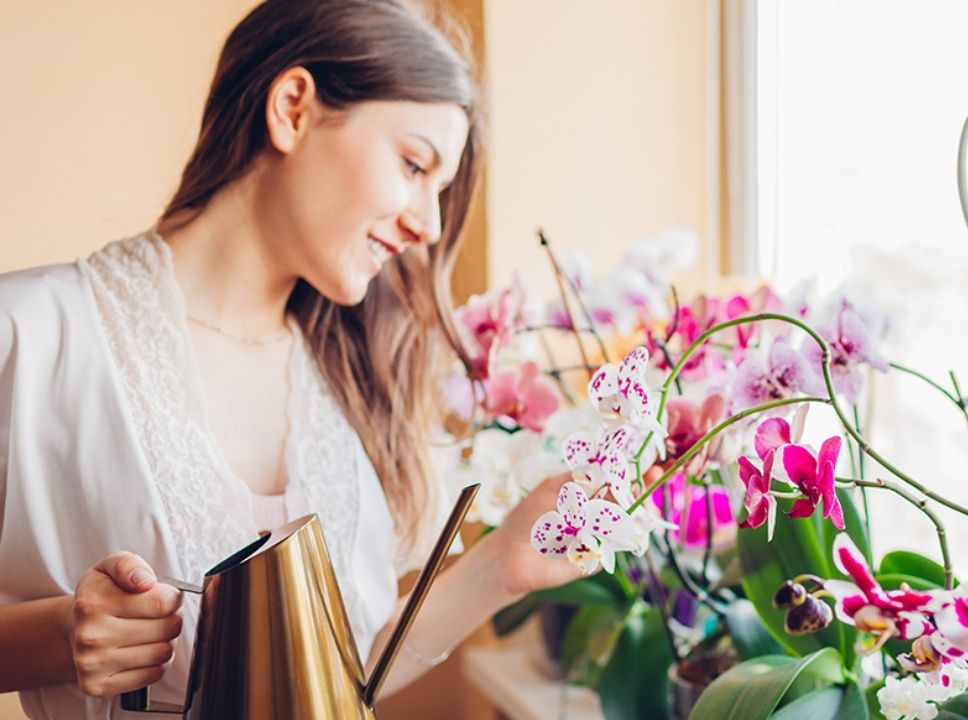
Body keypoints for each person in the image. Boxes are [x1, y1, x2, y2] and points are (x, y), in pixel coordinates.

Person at [0, 1, 578, 716]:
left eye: (440, 189)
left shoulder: (347, 387)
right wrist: (54, 638)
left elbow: (334, 682)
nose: (427, 225)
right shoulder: (28, 336)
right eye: (413, 164)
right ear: (294, 108)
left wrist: (500, 569)